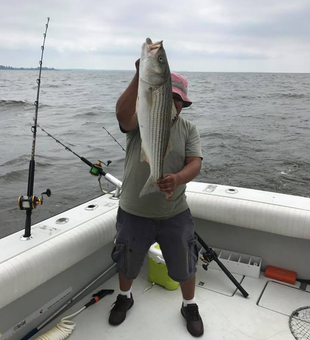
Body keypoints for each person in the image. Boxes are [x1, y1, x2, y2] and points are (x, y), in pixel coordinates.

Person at [109, 59, 204, 337]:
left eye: (177, 99)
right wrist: (140, 75)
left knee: (186, 263)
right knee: (127, 261)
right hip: (133, 210)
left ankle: (189, 304)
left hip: (174, 212)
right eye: (168, 96)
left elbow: (195, 162)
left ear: (183, 104)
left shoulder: (188, 128)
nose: (173, 102)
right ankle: (125, 297)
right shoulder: (141, 119)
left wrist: (177, 178)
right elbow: (122, 115)